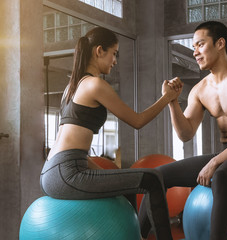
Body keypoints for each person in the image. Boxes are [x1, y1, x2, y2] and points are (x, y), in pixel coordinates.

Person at [40, 26, 182, 240]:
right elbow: (137, 121)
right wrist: (167, 97)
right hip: (66, 173)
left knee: (128, 182)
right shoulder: (95, 85)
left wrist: (111, 175)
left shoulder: (72, 87)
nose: (115, 60)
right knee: (153, 178)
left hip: (53, 170)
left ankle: (136, 235)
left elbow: (73, 148)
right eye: (113, 53)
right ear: (99, 51)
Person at [139, 21, 227, 239]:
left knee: (221, 177)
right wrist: (172, 102)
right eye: (193, 47)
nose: (195, 52)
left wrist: (214, 163)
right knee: (156, 177)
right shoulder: (200, 89)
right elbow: (185, 134)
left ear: (220, 43)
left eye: (200, 45)